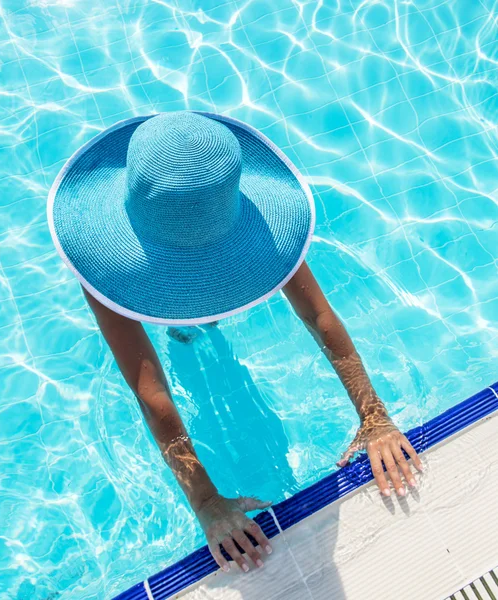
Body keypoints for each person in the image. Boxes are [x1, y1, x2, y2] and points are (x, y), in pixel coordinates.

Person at [48, 110, 423, 575]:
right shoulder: (264, 239)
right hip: (224, 245)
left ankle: (188, 322)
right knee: (207, 304)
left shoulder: (109, 268)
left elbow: (152, 396)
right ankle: (203, 312)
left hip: (154, 260)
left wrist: (206, 501)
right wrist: (374, 416)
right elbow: (319, 317)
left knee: (183, 322)